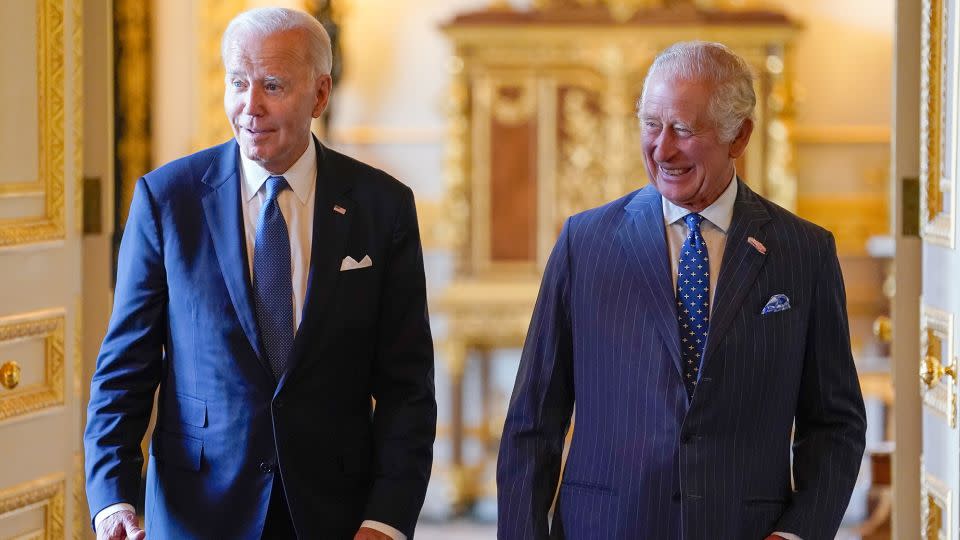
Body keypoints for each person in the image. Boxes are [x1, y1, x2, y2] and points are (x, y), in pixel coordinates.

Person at [84, 7, 436, 540]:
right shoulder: (166, 200)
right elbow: (124, 371)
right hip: (196, 513)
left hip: (335, 514)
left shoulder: (381, 206)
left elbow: (407, 384)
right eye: (238, 82)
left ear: (320, 95)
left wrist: (386, 519)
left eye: (273, 85)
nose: (251, 106)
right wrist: (113, 502)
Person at [496, 41, 866, 540]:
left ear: (740, 136)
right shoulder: (585, 244)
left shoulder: (804, 252)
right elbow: (532, 420)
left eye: (684, 130)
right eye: (651, 124)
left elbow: (835, 424)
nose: (662, 149)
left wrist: (798, 532)